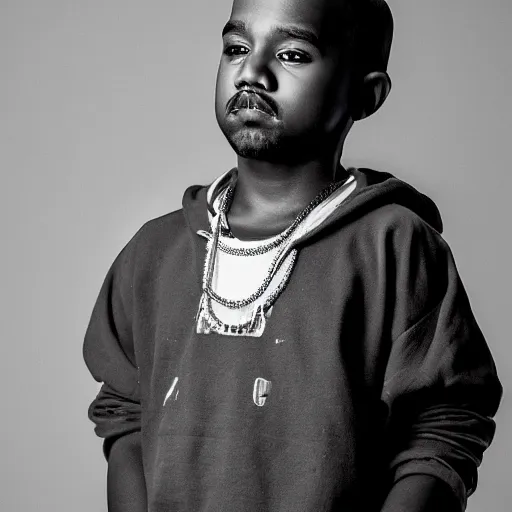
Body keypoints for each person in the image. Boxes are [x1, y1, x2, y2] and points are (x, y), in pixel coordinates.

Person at [83, 0, 502, 510]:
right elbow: (126, 410)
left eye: (293, 54)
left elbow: (443, 425)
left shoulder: (394, 246)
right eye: (237, 48)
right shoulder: (153, 252)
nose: (251, 72)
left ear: (365, 95)